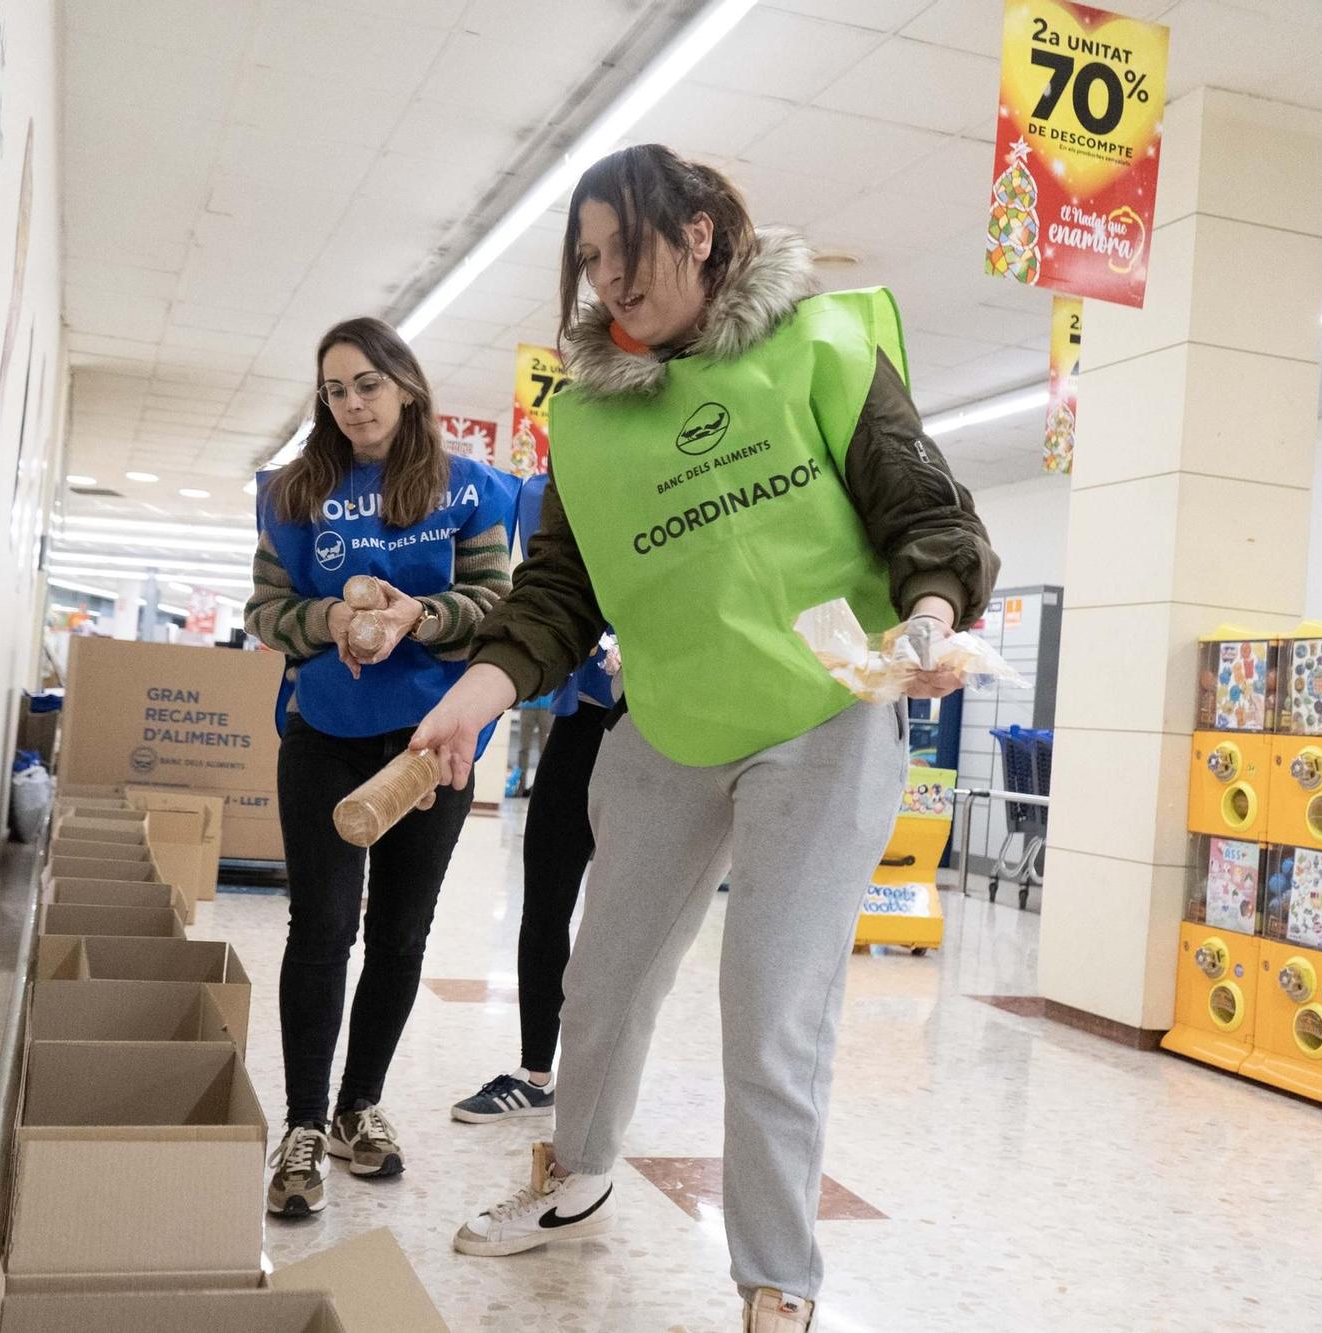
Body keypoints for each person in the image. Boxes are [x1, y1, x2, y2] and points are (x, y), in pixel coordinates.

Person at [409, 145, 999, 1332]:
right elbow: (559, 595)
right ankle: (575, 1173)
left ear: (696, 234)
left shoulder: (821, 345)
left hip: (823, 718)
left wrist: (928, 616)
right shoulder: (585, 419)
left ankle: (775, 1279)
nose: (604, 278)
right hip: (671, 722)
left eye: (621, 246)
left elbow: (922, 510)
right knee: (603, 976)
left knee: (769, 1006)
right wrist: (478, 691)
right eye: (585, 259)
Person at [245, 316, 515, 1219]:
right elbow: (265, 609)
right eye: (335, 389)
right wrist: (326, 622)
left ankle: (362, 1105)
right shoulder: (294, 493)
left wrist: (418, 617)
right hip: (324, 733)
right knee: (321, 928)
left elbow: (494, 606)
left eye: (367, 383)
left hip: (431, 741)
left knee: (402, 933)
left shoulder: (467, 489)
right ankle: (305, 1124)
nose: (353, 403)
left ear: (406, 384)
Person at [451, 470, 618, 1125]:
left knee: (621, 920)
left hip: (662, 730)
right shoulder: (563, 489)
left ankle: (599, 1078)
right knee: (546, 892)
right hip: (584, 719)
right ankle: (535, 1073)